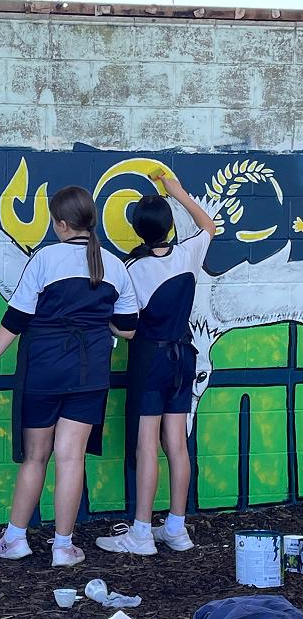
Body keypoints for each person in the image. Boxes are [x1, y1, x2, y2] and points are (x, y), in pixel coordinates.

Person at [0, 186, 138, 567]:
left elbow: (16, 318)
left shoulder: (45, 259)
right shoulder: (114, 266)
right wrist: (98, 323)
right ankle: (63, 547)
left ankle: (15, 539)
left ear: (61, 224)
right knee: (71, 458)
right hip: (90, 372)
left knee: (36, 456)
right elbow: (129, 328)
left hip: (44, 370)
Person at [95, 171, 216, 556]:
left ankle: (142, 532)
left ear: (136, 229)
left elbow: (127, 324)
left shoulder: (132, 269)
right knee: (176, 444)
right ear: (169, 226)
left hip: (151, 359)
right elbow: (208, 225)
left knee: (147, 445)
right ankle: (177, 528)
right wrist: (176, 190)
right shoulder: (187, 253)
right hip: (184, 356)